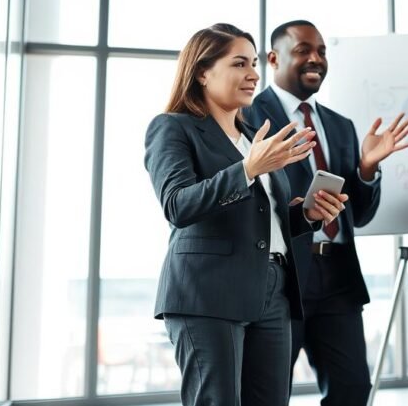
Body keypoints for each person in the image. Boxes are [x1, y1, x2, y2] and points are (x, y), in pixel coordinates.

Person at [145, 23, 348, 406]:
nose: (254, 74)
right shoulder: (173, 128)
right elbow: (177, 205)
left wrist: (307, 214)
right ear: (202, 72)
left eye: (254, 63)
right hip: (206, 293)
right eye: (240, 63)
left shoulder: (255, 136)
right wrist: (247, 169)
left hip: (273, 289)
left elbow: (265, 219)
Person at [244, 20, 408, 406]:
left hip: (337, 277)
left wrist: (367, 168)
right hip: (281, 277)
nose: (315, 59)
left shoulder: (340, 126)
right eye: (304, 50)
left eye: (321, 51)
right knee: (267, 394)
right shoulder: (252, 116)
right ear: (273, 58)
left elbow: (361, 214)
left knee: (352, 391)